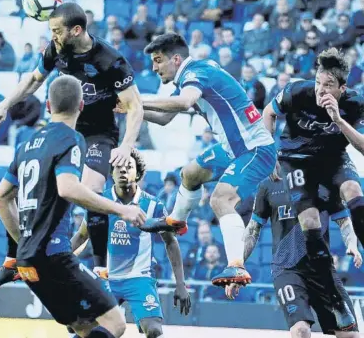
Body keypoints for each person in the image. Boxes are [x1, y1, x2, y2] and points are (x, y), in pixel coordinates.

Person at [0, 3, 144, 291]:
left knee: (91, 191)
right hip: (62, 128)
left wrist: (127, 145)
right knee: (21, 190)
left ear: (76, 30)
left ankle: (101, 271)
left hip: (98, 135)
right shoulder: (56, 50)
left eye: (56, 31)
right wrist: (4, 106)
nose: (52, 36)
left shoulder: (110, 60)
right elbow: (33, 80)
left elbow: (135, 106)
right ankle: (12, 262)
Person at [0, 75, 146, 338]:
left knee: (86, 328)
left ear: (48, 106)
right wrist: (122, 209)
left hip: (28, 260)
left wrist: (24, 240)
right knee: (115, 324)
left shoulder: (26, 144)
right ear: (81, 106)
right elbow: (68, 188)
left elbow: (0, 198)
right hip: (54, 255)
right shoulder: (71, 138)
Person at [127, 33, 276, 287]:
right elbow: (165, 118)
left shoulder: (195, 74)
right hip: (233, 147)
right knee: (190, 174)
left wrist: (138, 101)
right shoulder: (194, 74)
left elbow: (184, 102)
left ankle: (237, 267)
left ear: (176, 59)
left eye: (158, 60)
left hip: (255, 150)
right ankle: (176, 220)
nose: (154, 67)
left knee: (220, 199)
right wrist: (132, 110)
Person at [263, 48, 364, 327]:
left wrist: (339, 121)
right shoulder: (297, 91)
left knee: (354, 190)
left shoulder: (355, 103)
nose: (321, 90)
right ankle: (332, 297)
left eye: (329, 85)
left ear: (343, 88)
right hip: (296, 162)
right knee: (309, 221)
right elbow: (268, 113)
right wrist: (268, 153)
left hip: (332, 159)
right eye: (319, 83)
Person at [71, 148, 191, 338]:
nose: (123, 171)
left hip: (140, 278)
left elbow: (171, 242)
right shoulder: (100, 201)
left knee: (154, 331)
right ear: (111, 172)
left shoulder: (153, 205)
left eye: (128, 167)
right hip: (105, 277)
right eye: (117, 167)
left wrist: (181, 284)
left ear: (139, 173)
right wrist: (54, 263)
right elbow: (81, 236)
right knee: (85, 331)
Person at [226, 176, 362, 336]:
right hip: (286, 270)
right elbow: (252, 230)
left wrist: (352, 244)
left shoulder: (324, 181)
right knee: (300, 330)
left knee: (350, 334)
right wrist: (237, 266)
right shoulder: (268, 185)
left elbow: (344, 221)